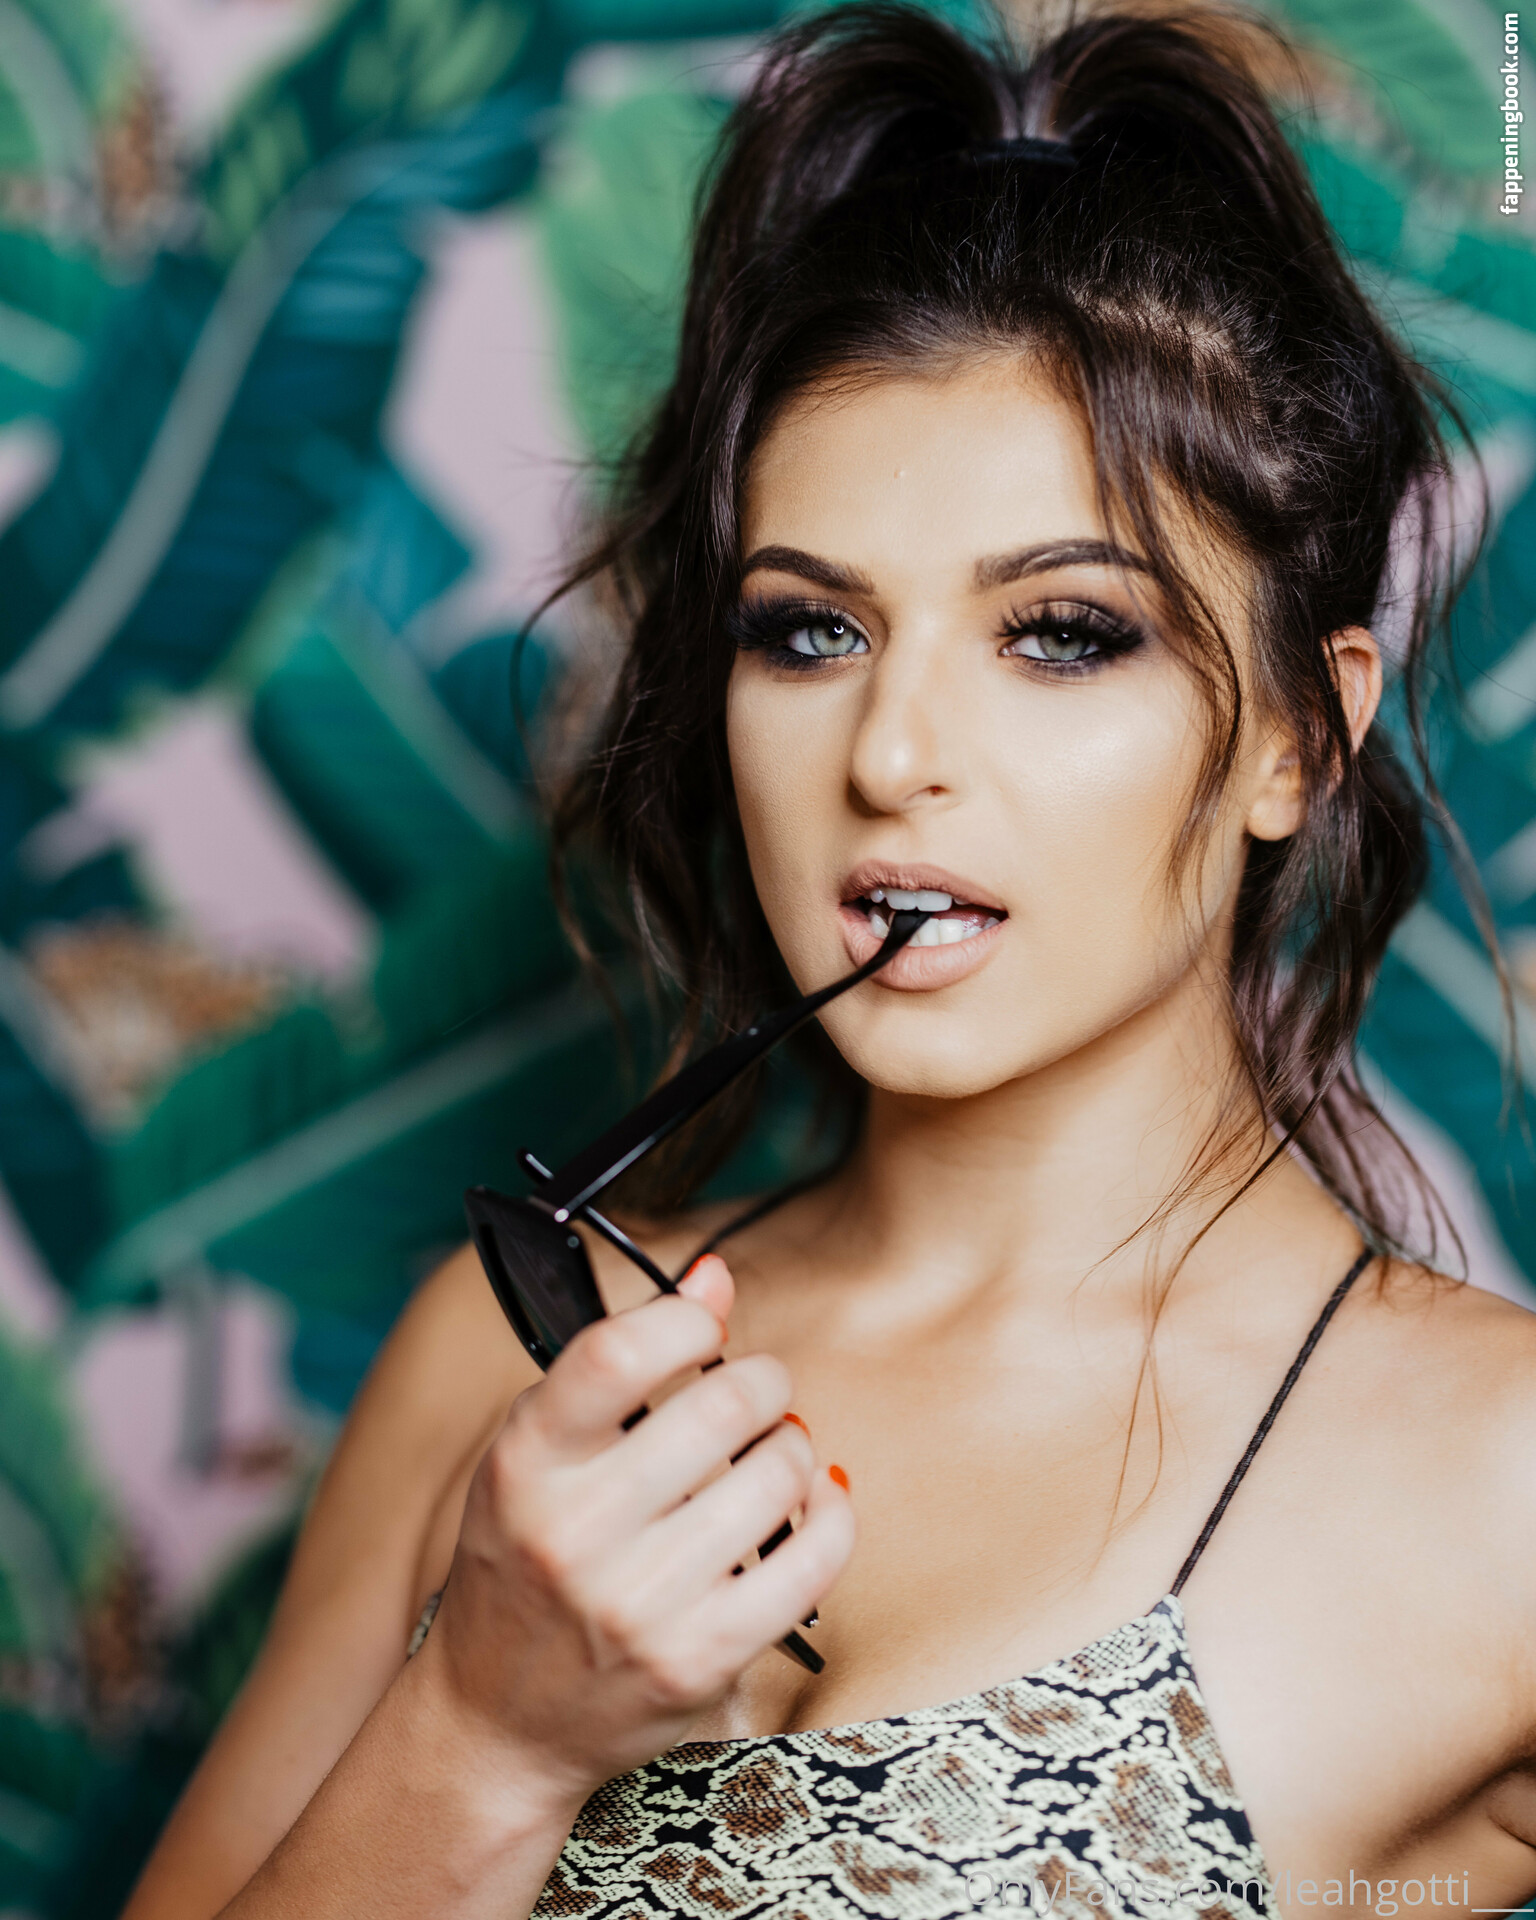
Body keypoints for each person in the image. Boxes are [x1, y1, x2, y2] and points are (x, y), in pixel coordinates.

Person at [123, 6, 1536, 1917]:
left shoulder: (1496, 1476)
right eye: (809, 633)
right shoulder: (513, 1356)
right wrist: (482, 1734)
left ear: (1301, 732)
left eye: (1061, 633)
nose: (890, 754)